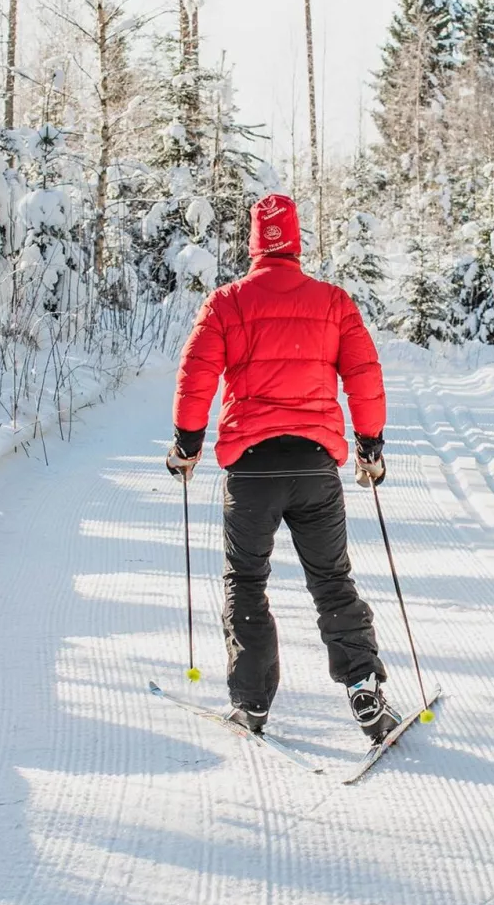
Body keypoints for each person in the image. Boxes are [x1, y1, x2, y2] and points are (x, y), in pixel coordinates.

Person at [166, 192, 400, 740]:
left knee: (246, 581)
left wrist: (187, 443)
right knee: (332, 580)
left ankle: (251, 704)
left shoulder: (227, 303)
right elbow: (364, 376)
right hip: (315, 465)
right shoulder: (333, 302)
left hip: (251, 469)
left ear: (254, 242)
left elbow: (196, 375)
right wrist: (370, 446)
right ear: (296, 241)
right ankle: (363, 686)